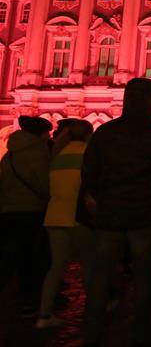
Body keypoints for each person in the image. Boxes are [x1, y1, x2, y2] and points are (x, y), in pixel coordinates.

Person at [81, 78, 151, 346]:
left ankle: (91, 334)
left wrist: (99, 199)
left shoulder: (105, 132)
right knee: (144, 276)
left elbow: (88, 173)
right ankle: (141, 334)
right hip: (143, 216)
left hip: (108, 215)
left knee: (100, 277)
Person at [35, 119, 94, 328]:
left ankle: (44, 315)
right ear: (88, 135)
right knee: (89, 265)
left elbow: (45, 186)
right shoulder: (88, 155)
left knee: (56, 268)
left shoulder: (56, 156)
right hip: (78, 217)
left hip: (54, 216)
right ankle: (95, 310)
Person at [0, 115, 52, 317]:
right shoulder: (38, 153)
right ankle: (28, 301)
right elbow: (43, 182)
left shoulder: (9, 154)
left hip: (8, 211)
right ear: (40, 134)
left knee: (8, 255)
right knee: (31, 257)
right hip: (32, 210)